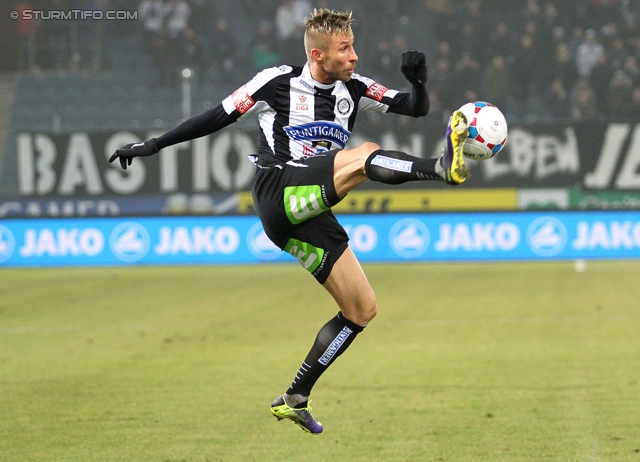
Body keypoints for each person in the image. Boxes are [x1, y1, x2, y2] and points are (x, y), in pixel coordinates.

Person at [109, 8, 469, 434]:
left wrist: (418, 81)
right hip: (279, 192)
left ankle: (295, 397)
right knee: (364, 154)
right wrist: (151, 145)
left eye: (353, 45)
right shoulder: (277, 82)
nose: (354, 55)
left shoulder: (354, 87)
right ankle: (440, 168)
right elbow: (214, 116)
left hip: (309, 211)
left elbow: (413, 108)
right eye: (345, 48)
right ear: (318, 55)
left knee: (361, 309)